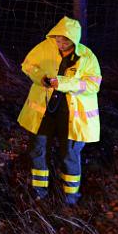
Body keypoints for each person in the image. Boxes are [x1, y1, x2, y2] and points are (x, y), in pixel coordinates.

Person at [18, 16, 101, 204]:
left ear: (74, 40)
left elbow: (93, 85)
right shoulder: (44, 48)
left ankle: (70, 197)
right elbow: (27, 65)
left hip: (73, 117)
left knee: (69, 155)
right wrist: (41, 77)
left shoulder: (87, 57)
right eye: (57, 38)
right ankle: (39, 192)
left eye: (65, 40)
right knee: (38, 150)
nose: (60, 43)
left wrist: (63, 83)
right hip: (44, 112)